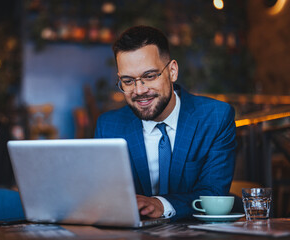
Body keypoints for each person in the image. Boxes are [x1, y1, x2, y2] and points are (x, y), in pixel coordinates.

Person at [94, 26, 236, 221]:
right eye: (128, 81)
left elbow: (213, 193)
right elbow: (103, 198)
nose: (139, 90)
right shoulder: (108, 126)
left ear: (172, 71)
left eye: (150, 76)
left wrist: (160, 204)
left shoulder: (215, 117)